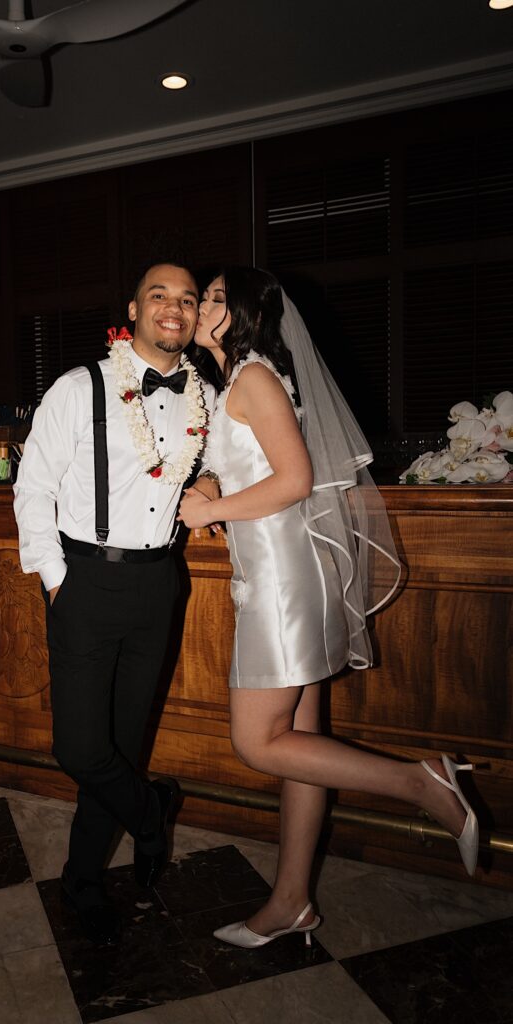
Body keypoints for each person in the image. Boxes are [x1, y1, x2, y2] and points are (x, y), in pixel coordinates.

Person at [178, 266, 480, 949]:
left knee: (258, 743)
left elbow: (296, 478)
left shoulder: (251, 376)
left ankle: (423, 782)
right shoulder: (241, 381)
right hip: (286, 573)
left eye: (218, 298)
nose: (201, 305)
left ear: (250, 315)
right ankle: (292, 903)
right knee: (299, 747)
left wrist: (209, 509)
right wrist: (211, 477)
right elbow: (254, 460)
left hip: (281, 583)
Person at [14, 262, 216, 946]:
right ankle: (151, 809)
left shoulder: (203, 395)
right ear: (133, 308)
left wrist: (212, 488)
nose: (175, 307)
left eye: (188, 299)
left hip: (161, 584)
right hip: (86, 582)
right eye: (160, 294)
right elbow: (31, 485)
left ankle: (84, 882)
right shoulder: (78, 387)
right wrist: (53, 575)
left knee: (123, 745)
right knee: (78, 746)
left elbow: (212, 461)